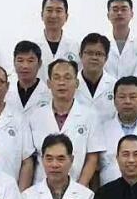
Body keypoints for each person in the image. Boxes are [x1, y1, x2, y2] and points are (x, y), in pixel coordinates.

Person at [28, 58, 105, 188]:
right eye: (57, 77)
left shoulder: (90, 116)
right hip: (41, 188)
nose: (62, 83)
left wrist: (79, 188)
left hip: (77, 186)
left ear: (77, 83)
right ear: (49, 83)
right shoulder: (36, 116)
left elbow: (92, 157)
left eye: (67, 78)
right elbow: (30, 158)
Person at [33, 0, 80, 80]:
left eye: (58, 11)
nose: (53, 15)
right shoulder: (32, 46)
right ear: (42, 15)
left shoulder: (75, 47)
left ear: (66, 16)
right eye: (49, 10)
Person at [106, 0, 137, 80]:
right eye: (115, 10)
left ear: (131, 14)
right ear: (108, 15)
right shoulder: (102, 43)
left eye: (124, 9)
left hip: (135, 88)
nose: (119, 13)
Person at [74, 33, 117, 122]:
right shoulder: (70, 84)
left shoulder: (115, 86)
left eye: (99, 54)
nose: (94, 57)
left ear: (106, 58)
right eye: (89, 53)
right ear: (80, 55)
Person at [8, 40, 51, 115]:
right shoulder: (6, 93)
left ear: (39, 64)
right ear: (14, 62)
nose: (25, 66)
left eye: (30, 61)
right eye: (20, 60)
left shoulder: (49, 95)